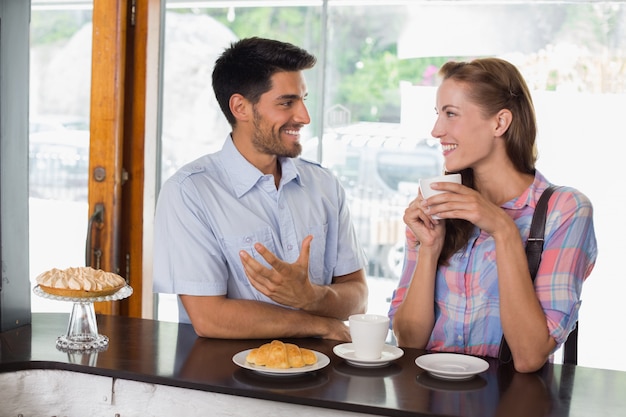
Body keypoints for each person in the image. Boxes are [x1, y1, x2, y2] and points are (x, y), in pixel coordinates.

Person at [388, 58, 597, 373]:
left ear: (500, 123)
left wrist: (503, 229)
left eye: (451, 114)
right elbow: (408, 343)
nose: (436, 130)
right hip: (426, 400)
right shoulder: (437, 204)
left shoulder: (565, 211)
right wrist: (429, 250)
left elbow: (529, 356)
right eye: (438, 114)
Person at [153, 37, 368, 342]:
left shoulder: (324, 185)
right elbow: (209, 317)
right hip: (228, 382)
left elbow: (358, 298)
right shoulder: (190, 193)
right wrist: (320, 323)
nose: (304, 117)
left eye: (304, 99)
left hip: (322, 378)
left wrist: (312, 297)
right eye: (287, 102)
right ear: (241, 107)